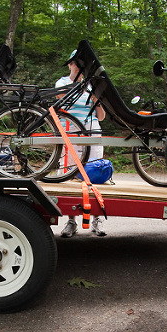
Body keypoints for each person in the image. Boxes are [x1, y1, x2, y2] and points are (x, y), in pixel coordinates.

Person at [56, 49, 107, 238]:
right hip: (70, 134)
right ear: (70, 64)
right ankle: (71, 221)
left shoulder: (92, 85)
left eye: (81, 64)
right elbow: (60, 100)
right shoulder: (62, 83)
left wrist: (97, 100)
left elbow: (101, 116)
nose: (77, 66)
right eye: (75, 63)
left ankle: (96, 219)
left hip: (92, 134)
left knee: (94, 176)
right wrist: (80, 85)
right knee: (69, 178)